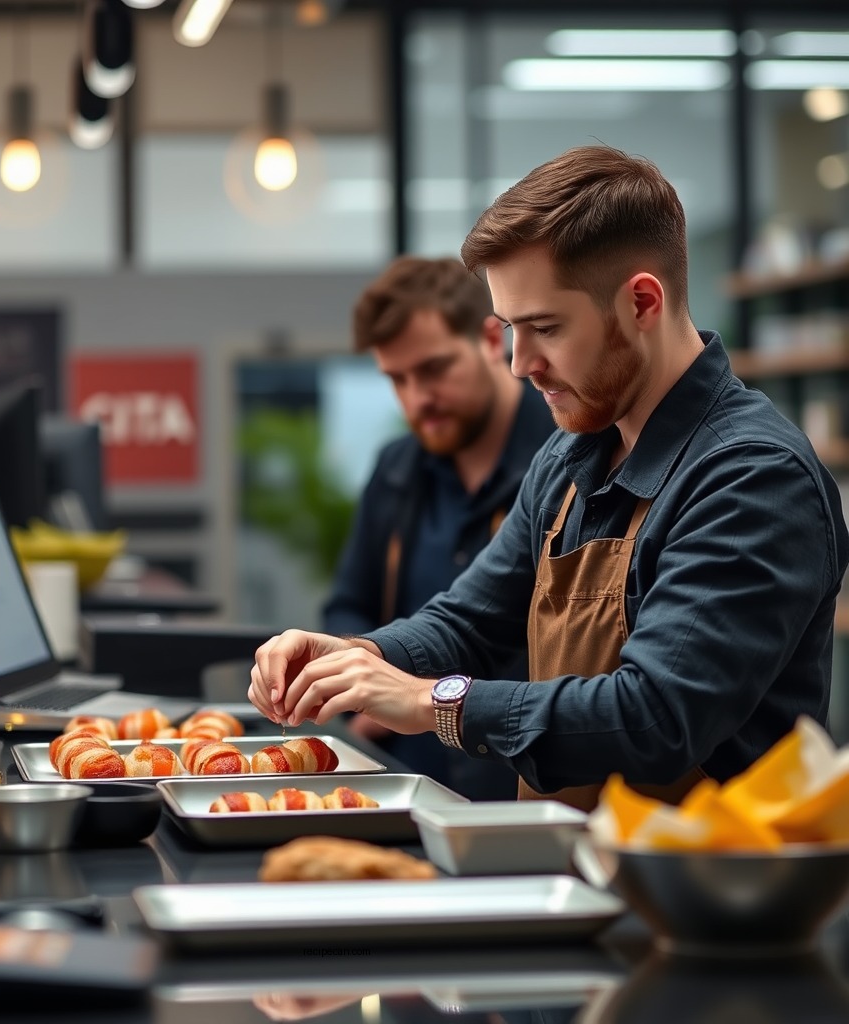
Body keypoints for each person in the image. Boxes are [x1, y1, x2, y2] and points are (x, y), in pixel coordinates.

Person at [248, 144, 849, 811]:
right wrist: (353, 658)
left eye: (545, 328)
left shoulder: (751, 477)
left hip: (712, 899)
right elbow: (470, 624)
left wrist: (433, 701)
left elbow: (654, 715)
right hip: (577, 877)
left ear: (641, 302)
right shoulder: (571, 458)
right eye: (510, 328)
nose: (518, 363)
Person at [323, 256, 555, 799]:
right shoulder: (397, 469)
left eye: (432, 369)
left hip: (517, 786)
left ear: (491, 340)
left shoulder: (566, 461)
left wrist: (416, 694)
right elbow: (349, 603)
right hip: (400, 781)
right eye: (397, 379)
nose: (415, 399)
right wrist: (361, 669)